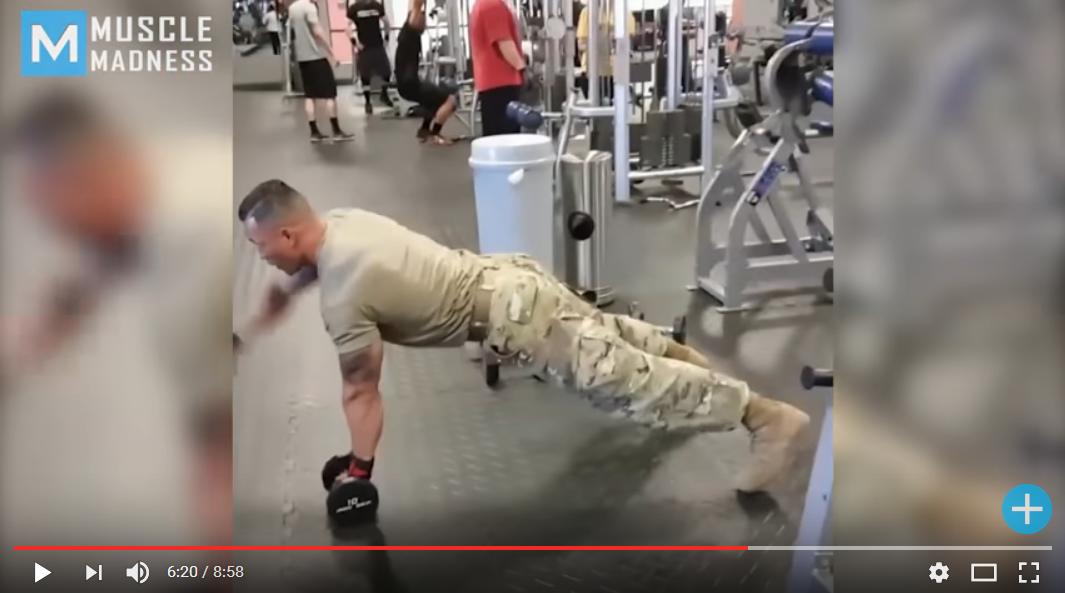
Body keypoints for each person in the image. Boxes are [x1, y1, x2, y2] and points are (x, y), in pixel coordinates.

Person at [237, 179, 811, 495]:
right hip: (507, 276)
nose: (262, 259)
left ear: (288, 234)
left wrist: (358, 472)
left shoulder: (344, 294)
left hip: (513, 315)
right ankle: (687, 361)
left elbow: (360, 392)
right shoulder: (340, 220)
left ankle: (765, 417)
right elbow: (305, 276)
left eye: (261, 248)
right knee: (608, 334)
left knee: (621, 381)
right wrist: (255, 325)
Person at [394, 0, 459, 145]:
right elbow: (416, 7)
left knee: (432, 100)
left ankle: (424, 130)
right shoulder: (409, 33)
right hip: (410, 85)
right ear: (414, 20)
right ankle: (435, 135)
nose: (425, 24)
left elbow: (413, 8)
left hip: (408, 85)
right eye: (422, 21)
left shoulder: (409, 34)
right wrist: (419, 6)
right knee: (450, 101)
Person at [287, 0, 354, 142]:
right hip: (317, 57)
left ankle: (314, 132)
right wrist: (331, 52)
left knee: (310, 96)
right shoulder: (309, 7)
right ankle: (336, 131)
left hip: (303, 58)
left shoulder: (293, 8)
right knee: (330, 94)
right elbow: (317, 32)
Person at [470, 0, 525, 136]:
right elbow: (504, 43)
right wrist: (522, 68)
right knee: (505, 139)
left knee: (496, 138)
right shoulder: (492, 5)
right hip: (501, 83)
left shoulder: (483, 4)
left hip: (493, 83)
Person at [576, 1, 636, 102]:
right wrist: (601, 42)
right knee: (594, 105)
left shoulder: (625, 13)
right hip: (592, 72)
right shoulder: (587, 12)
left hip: (617, 74)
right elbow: (581, 45)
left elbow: (627, 44)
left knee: (618, 106)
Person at [347, 0, 395, 115]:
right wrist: (355, 43)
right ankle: (368, 102)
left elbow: (386, 22)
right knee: (365, 76)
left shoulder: (376, 5)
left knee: (386, 72)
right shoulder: (354, 8)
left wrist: (386, 38)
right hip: (365, 47)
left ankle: (384, 94)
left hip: (378, 45)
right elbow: (347, 28)